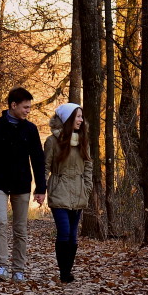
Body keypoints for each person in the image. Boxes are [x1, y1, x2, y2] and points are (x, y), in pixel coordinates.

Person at [0, 87, 47, 283]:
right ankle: (1, 266)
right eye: (25, 107)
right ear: (13, 105)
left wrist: (41, 189)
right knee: (0, 222)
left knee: (20, 228)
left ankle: (18, 269)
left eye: (30, 108)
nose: (28, 111)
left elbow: (38, 160)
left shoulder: (30, 129)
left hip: (22, 184)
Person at [44, 102, 92, 283]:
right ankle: (64, 272)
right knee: (63, 232)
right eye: (78, 116)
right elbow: (45, 166)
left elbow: (88, 165)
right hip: (59, 191)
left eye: (81, 116)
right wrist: (43, 189)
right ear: (68, 118)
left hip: (79, 191)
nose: (81, 120)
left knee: (73, 236)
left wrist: (87, 188)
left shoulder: (83, 140)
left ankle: (67, 271)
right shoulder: (52, 141)